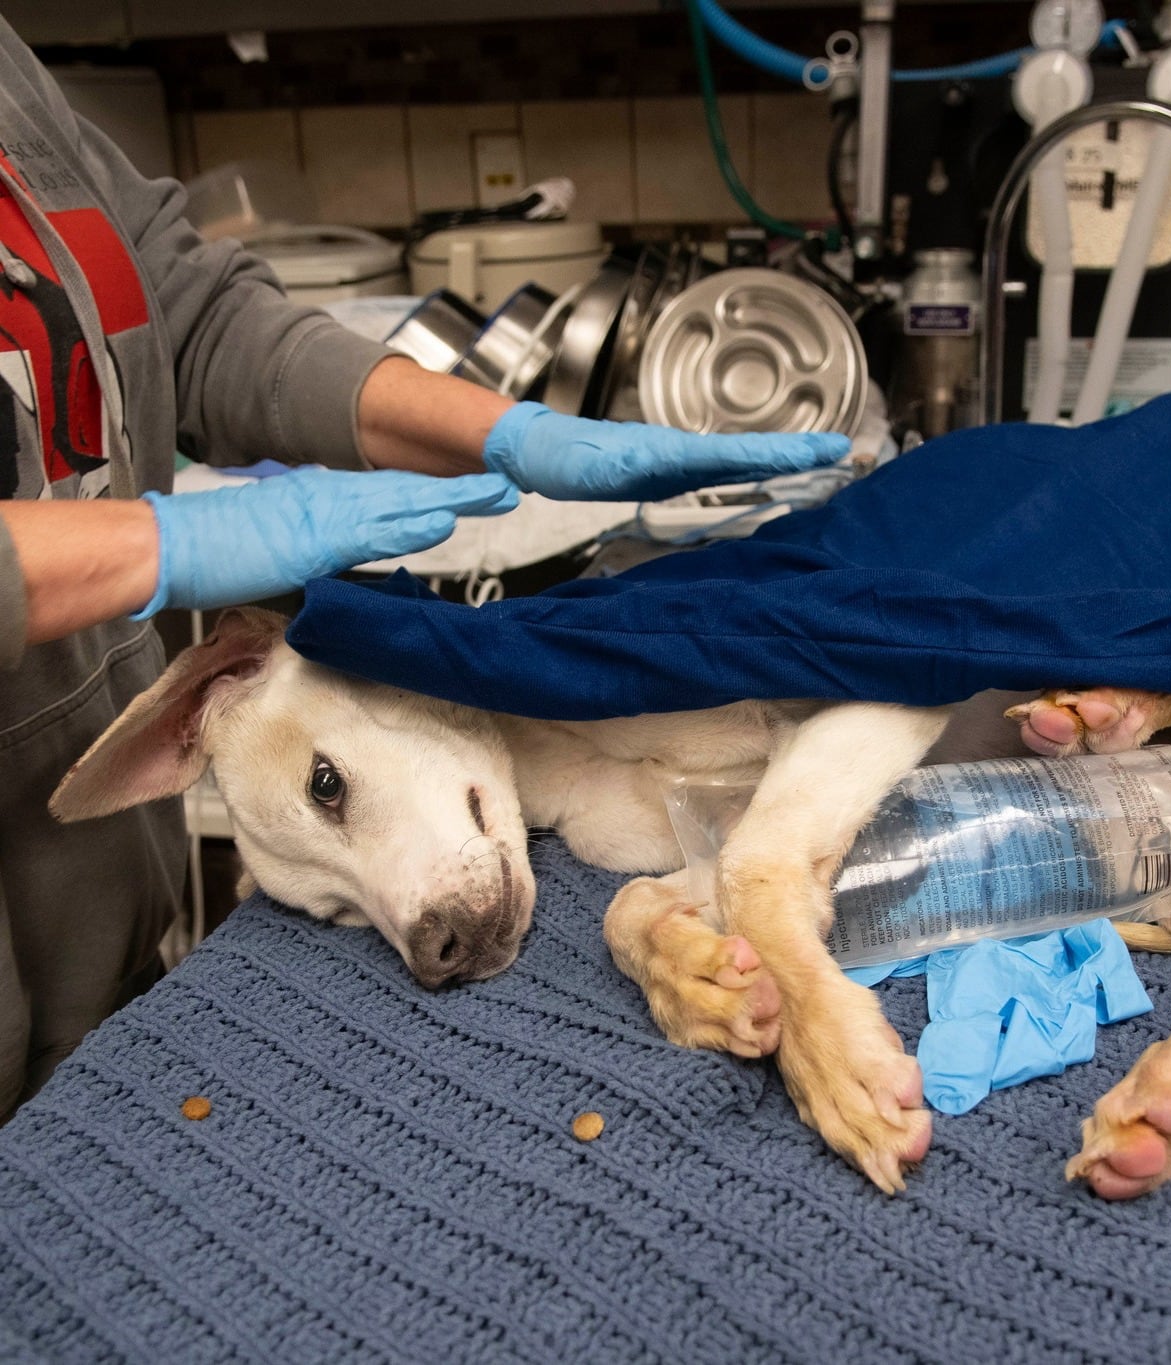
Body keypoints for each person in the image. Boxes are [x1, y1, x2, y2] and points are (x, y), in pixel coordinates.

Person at [0, 14, 850, 1119]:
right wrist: (161, 546)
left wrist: (501, 430)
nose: (417, 932)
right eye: (343, 913)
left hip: (104, 948)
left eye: (330, 792)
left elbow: (191, 315)